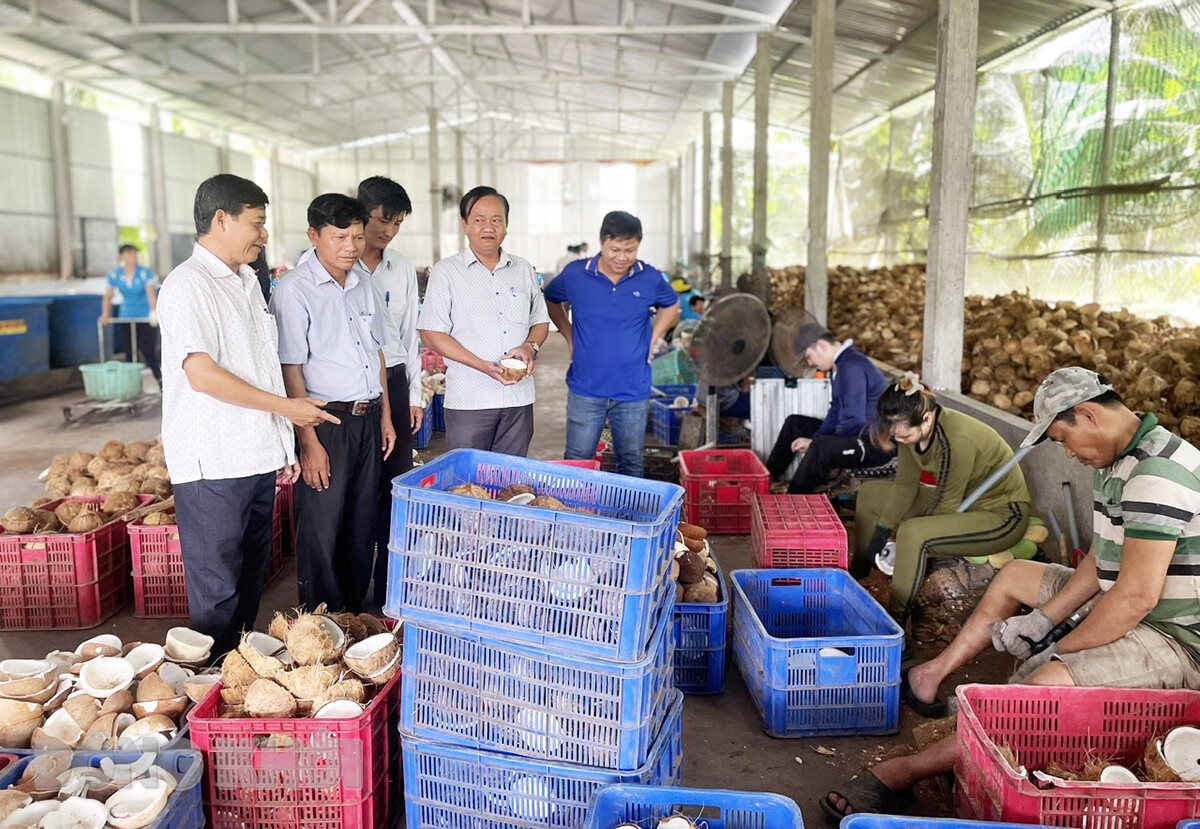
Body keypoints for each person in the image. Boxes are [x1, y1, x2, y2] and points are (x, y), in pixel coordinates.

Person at [822, 367, 1200, 822]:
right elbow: (1101, 562)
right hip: (1129, 601)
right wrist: (1042, 620)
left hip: (1176, 636)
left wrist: (1056, 649)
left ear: (1087, 415)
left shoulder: (1156, 475)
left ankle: (903, 773)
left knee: (1039, 688)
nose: (1068, 454)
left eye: (1062, 439)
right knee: (1016, 574)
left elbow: (1135, 598)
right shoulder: (1118, 458)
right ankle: (931, 674)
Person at [156, 174, 336, 659]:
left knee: (248, 581)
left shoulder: (246, 281)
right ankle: (210, 685)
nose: (263, 235)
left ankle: (235, 678)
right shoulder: (187, 286)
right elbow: (202, 374)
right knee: (217, 591)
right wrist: (288, 411)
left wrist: (281, 441)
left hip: (253, 456)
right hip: (213, 463)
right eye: (256, 223)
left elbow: (260, 364)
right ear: (221, 219)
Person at [271, 193, 397, 612]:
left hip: (366, 418)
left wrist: (385, 415)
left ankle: (355, 616)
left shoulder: (363, 283)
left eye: (358, 237)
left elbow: (375, 351)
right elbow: (291, 370)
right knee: (323, 526)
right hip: (324, 422)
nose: (350, 246)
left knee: (362, 522)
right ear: (314, 235)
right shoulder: (294, 290)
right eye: (339, 237)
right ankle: (320, 619)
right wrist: (308, 441)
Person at [855, 374, 1031, 621]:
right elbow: (905, 485)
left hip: (1002, 516)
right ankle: (858, 573)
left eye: (904, 437)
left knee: (913, 533)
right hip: (963, 502)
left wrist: (906, 544)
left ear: (926, 420)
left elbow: (947, 504)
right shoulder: (909, 426)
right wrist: (881, 532)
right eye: (896, 437)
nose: (900, 441)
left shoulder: (956, 439)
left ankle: (897, 625)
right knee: (871, 493)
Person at [544, 211, 680, 477]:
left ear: (638, 245)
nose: (621, 257)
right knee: (577, 461)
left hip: (633, 390)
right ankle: (577, 518)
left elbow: (671, 304)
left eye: (630, 250)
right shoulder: (576, 274)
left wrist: (652, 339)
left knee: (630, 461)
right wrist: (569, 334)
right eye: (614, 249)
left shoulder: (649, 277)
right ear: (601, 242)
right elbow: (550, 298)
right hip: (586, 388)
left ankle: (628, 518)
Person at [417, 186, 549, 456]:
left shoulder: (522, 269)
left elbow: (540, 321)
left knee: (510, 480)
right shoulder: (447, 272)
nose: (488, 227)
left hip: (518, 399)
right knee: (468, 481)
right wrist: (482, 366)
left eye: (496, 220)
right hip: (470, 399)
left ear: (506, 226)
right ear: (465, 225)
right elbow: (431, 333)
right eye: (479, 220)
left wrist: (529, 347)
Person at [354, 176, 422, 610]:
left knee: (393, 489)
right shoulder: (333, 261)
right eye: (382, 220)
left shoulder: (401, 267)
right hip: (351, 387)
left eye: (397, 223)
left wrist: (413, 395)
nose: (389, 231)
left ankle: (386, 593)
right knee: (356, 492)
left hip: (394, 384)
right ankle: (350, 593)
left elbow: (410, 333)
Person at [765, 324, 894, 495]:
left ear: (821, 346)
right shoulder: (839, 366)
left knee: (822, 447)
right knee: (794, 423)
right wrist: (817, 437)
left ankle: (793, 500)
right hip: (856, 434)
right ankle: (767, 479)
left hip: (874, 444)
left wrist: (816, 443)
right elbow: (835, 411)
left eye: (809, 357)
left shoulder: (851, 366)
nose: (811, 364)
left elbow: (854, 419)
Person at [99, 244, 162, 385]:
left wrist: (154, 312)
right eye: (129, 254)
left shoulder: (145, 273)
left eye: (134, 254)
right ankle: (131, 383)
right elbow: (108, 296)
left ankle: (160, 379)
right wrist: (105, 314)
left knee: (148, 350)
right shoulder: (115, 274)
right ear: (122, 256)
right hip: (126, 314)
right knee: (129, 350)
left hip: (144, 316)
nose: (133, 257)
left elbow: (150, 293)